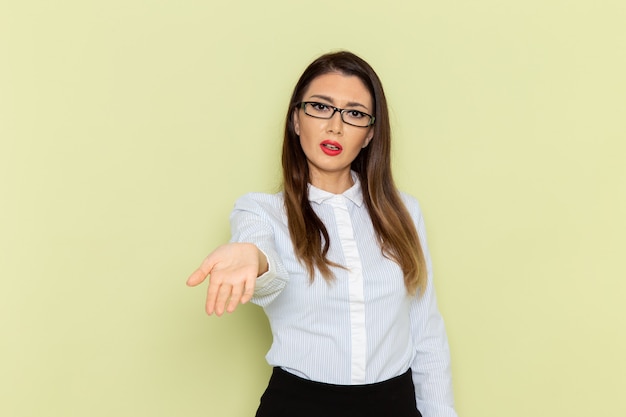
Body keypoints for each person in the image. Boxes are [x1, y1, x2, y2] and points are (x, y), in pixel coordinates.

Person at [187, 51, 458, 417]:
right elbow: (269, 272)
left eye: (355, 113)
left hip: (393, 404)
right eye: (320, 107)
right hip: (299, 404)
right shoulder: (261, 211)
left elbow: (425, 332)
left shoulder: (405, 212)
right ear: (296, 120)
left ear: (370, 134)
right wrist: (254, 259)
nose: (335, 126)